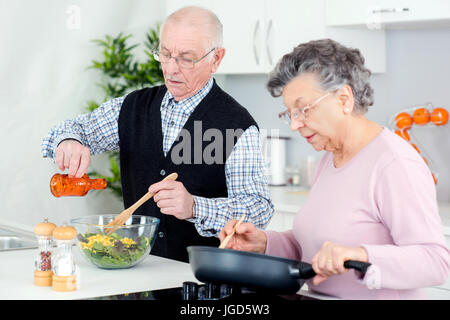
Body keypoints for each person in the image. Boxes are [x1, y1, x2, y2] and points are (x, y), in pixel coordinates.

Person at [219, 39, 450, 299]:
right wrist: (264, 242)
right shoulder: (330, 157)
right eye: (289, 113)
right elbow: (314, 244)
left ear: (343, 99)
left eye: (303, 110)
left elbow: (436, 261)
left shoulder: (393, 163)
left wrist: (361, 255)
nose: (294, 125)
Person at [42, 6, 274, 263]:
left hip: (203, 280)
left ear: (216, 59)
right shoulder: (131, 107)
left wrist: (196, 207)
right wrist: (69, 141)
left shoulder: (237, 126)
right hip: (140, 273)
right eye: (165, 54)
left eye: (186, 58)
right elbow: (67, 131)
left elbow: (258, 209)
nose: (171, 69)